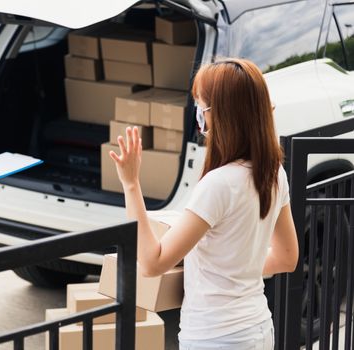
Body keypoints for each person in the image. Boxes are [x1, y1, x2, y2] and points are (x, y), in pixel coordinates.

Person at [109, 58, 299, 349]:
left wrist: (131, 183)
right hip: (258, 328)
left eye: (202, 107)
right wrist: (235, 267)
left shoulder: (219, 183)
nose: (200, 116)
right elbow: (287, 257)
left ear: (222, 114)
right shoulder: (274, 173)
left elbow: (151, 263)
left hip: (216, 337)